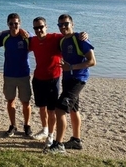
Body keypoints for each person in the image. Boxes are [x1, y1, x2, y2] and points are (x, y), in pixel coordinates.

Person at [30, 17, 88, 148]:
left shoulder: (56, 38)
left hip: (53, 79)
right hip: (38, 78)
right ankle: (45, 130)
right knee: (42, 107)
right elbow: (19, 37)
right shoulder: (32, 40)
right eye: (36, 28)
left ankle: (51, 135)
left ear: (46, 26)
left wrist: (81, 34)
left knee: (53, 110)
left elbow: (71, 35)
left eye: (41, 27)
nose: (39, 30)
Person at [48, 14, 96, 154]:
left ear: (72, 24)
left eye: (66, 24)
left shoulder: (80, 39)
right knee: (74, 109)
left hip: (78, 79)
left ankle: (59, 144)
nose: (63, 27)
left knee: (59, 109)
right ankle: (76, 140)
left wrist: (71, 67)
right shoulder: (63, 41)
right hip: (67, 79)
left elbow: (92, 61)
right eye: (60, 25)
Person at [0, 13, 33, 137]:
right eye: (11, 23)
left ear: (20, 23)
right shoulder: (5, 37)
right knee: (10, 101)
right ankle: (13, 125)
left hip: (23, 74)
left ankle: (27, 125)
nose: (14, 26)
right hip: (9, 75)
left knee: (25, 102)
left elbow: (40, 38)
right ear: (8, 24)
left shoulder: (26, 36)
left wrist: (23, 31)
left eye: (16, 23)